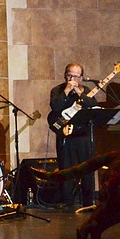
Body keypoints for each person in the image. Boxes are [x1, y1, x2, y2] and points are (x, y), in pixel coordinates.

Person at [49, 63, 97, 209]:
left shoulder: (86, 90)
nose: (72, 79)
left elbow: (92, 106)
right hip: (65, 134)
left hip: (83, 133)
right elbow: (55, 107)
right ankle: (67, 201)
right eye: (70, 75)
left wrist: (79, 93)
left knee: (87, 167)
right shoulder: (57, 90)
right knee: (66, 167)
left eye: (76, 76)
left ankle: (88, 201)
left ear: (81, 77)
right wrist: (67, 91)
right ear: (65, 75)